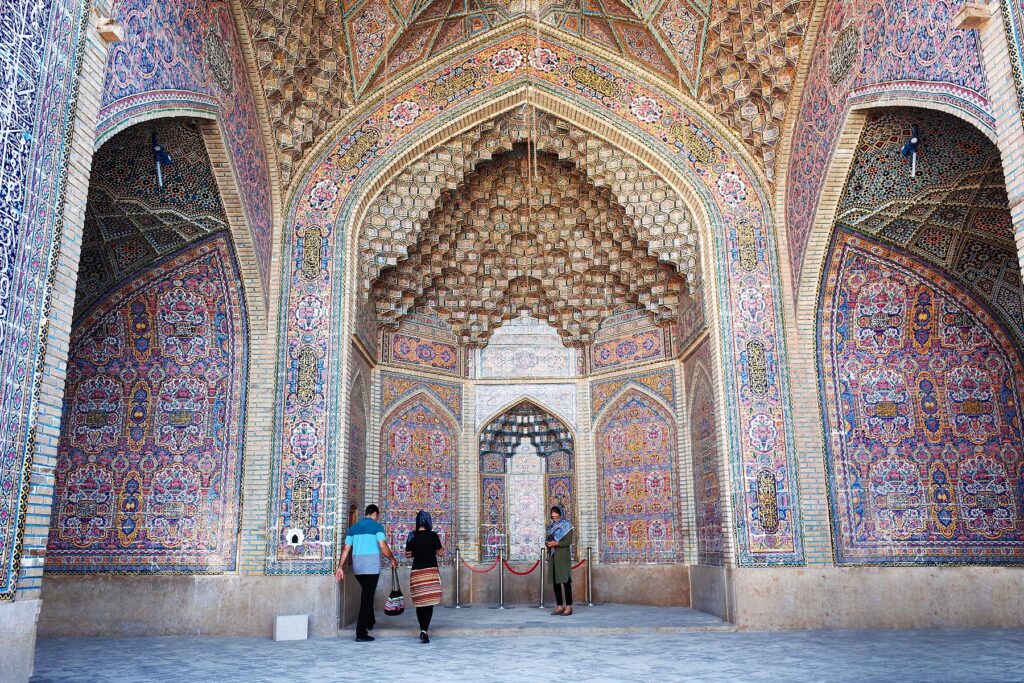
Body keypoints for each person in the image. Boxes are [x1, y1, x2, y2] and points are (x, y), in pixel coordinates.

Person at [336, 504, 398, 642]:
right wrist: (392, 559)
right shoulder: (377, 527)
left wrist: (340, 566)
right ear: (375, 514)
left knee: (366, 592)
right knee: (367, 599)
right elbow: (383, 546)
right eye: (377, 516)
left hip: (358, 568)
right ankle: (360, 632)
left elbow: (346, 548)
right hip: (371, 568)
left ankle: (370, 621)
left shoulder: (353, 528)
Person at [405, 510, 443, 644]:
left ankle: (422, 628)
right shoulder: (433, 535)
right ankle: (425, 631)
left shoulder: (411, 535)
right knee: (429, 602)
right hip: (430, 573)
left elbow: (408, 555)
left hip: (417, 573)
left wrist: (416, 550)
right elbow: (441, 553)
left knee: (420, 603)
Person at [545, 506, 574, 616]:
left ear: (561, 515)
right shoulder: (551, 526)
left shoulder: (567, 525)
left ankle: (569, 607)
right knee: (555, 582)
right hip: (553, 556)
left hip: (562, 557)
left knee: (565, 582)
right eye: (553, 517)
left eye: (556, 517)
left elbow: (568, 541)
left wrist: (556, 543)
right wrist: (548, 543)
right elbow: (548, 538)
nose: (555, 519)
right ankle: (559, 605)